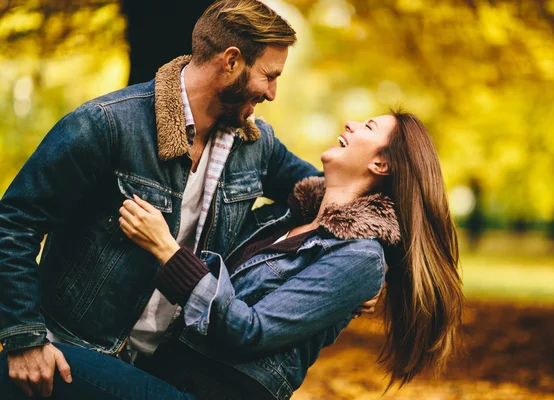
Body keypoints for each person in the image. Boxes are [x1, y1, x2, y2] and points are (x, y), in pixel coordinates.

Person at [0, 110, 464, 399]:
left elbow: (248, 331)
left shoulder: (360, 258)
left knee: (33, 368)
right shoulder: (286, 219)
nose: (350, 124)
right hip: (164, 372)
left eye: (366, 127)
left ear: (380, 164)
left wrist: (166, 249)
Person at [0, 1, 327, 397]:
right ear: (231, 61)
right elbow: (14, 223)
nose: (272, 93)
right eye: (269, 76)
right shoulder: (107, 124)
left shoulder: (256, 146)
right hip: (74, 353)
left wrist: (352, 257)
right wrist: (25, 338)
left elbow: (327, 193)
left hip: (166, 367)